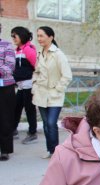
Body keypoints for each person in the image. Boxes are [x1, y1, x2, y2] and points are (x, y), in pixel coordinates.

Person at [32, 26, 72, 159]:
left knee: (51, 123)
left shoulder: (58, 54)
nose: (39, 39)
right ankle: (50, 150)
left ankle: (56, 152)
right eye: (38, 36)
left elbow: (67, 76)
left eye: (42, 36)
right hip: (41, 94)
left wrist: (57, 90)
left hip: (55, 95)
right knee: (45, 124)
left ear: (51, 37)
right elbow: (37, 71)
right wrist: (34, 87)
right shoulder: (40, 53)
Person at [11, 26, 37, 144]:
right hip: (21, 85)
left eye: (14, 35)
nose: (13, 38)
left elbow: (37, 67)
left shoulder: (28, 50)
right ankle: (13, 130)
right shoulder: (17, 50)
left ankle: (32, 133)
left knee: (29, 109)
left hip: (29, 85)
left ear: (21, 35)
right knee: (16, 108)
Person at [0, 23, 16, 161]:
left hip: (4, 88)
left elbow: (9, 67)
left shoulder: (7, 46)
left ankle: (5, 150)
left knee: (5, 119)